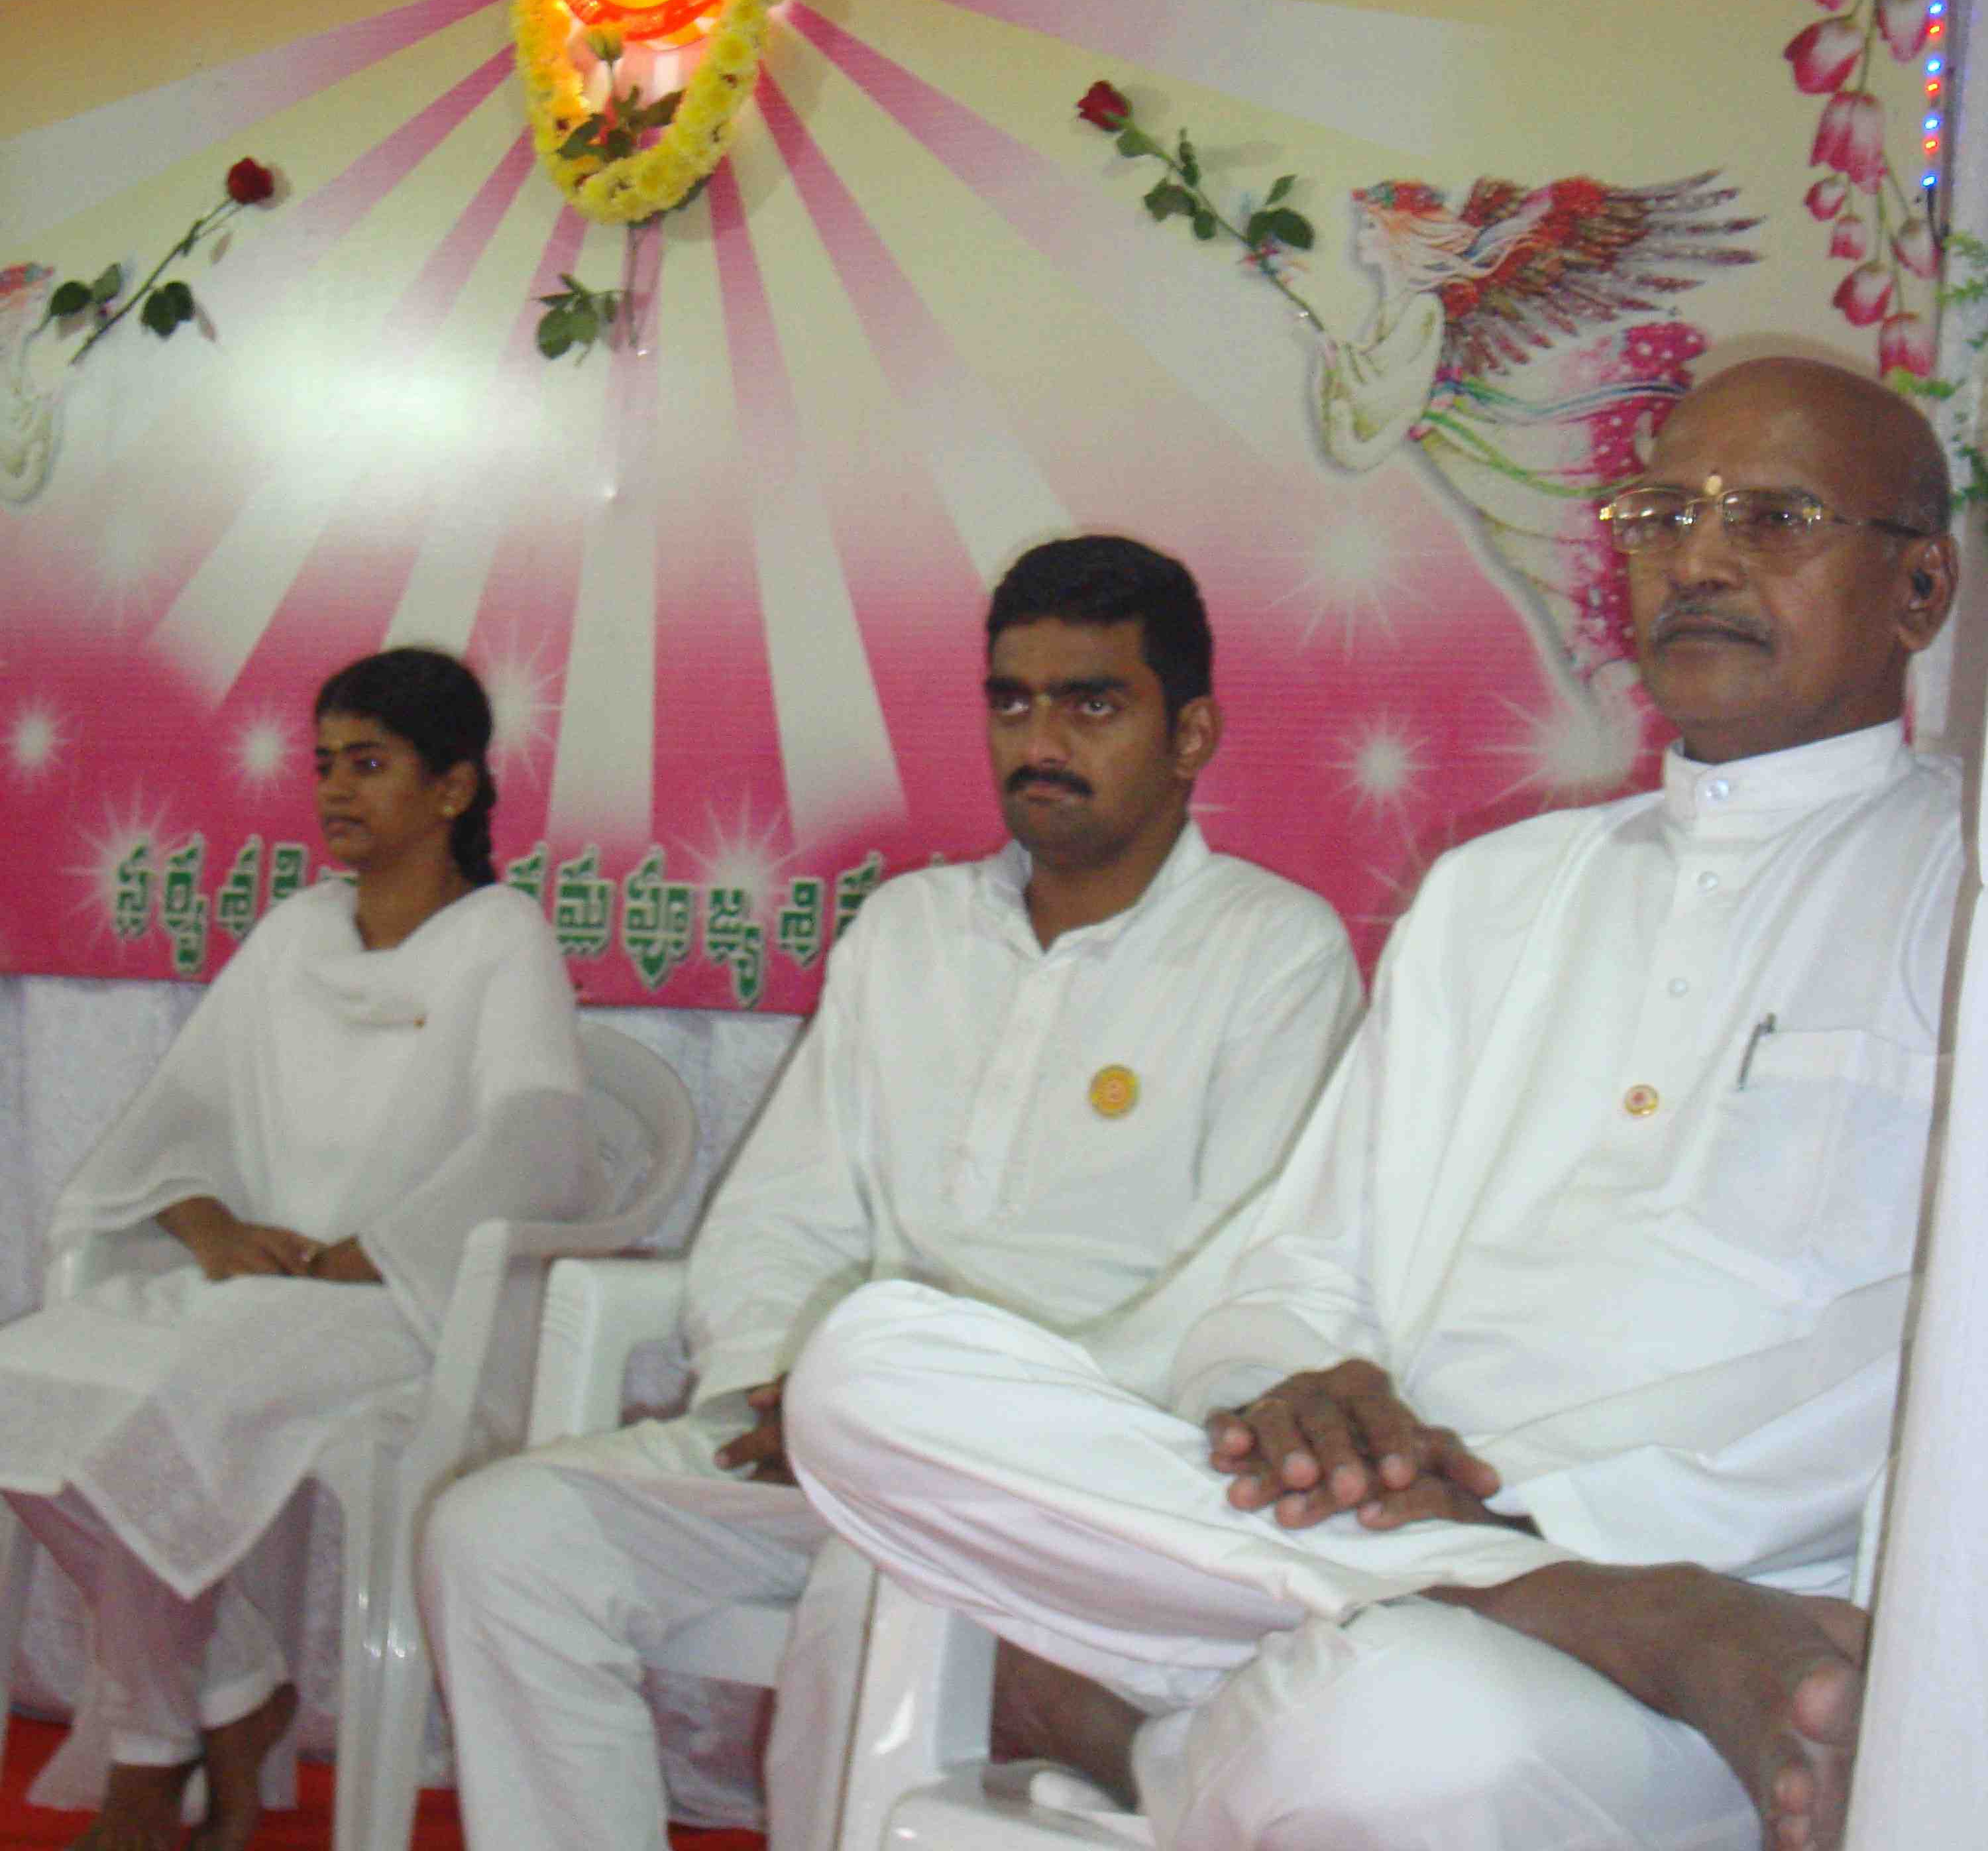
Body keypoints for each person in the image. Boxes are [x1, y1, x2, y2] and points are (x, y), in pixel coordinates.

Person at [785, 357, 1962, 1851]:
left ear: (1920, 589)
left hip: (1738, 1616)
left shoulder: (1964, 893)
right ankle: (1549, 1611)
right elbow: (1300, 1265)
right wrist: (1304, 1376)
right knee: (867, 1370)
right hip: (1418, 1541)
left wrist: (1554, 1528)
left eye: (1776, 518)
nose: (1702, 559)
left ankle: (1179, 1725)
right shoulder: (1495, 894)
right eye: (1665, 515)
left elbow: (1931, 1384)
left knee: (1390, 1729)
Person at [420, 534, 1363, 1851]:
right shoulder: (910, 929)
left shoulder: (1273, 951)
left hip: (1068, 1479)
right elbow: (784, 1212)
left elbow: (1246, 1290)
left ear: (1190, 732)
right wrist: (783, 1380)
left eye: (1093, 703)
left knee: (877, 1594)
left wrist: (929, 1423)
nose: (1042, 739)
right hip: (828, 1436)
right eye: (1013, 701)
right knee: (498, 1536)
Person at [0, 647, 589, 1851]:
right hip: (261, 1291)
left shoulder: (503, 936)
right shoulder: (296, 931)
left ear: (453, 788)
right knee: (23, 1392)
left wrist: (386, 1247)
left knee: (166, 1409)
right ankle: (238, 1686)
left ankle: (150, 1762)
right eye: (324, 764)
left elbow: (538, 1140)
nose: (334, 790)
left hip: (403, 1307)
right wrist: (209, 1223)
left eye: (369, 764)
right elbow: (181, 1113)